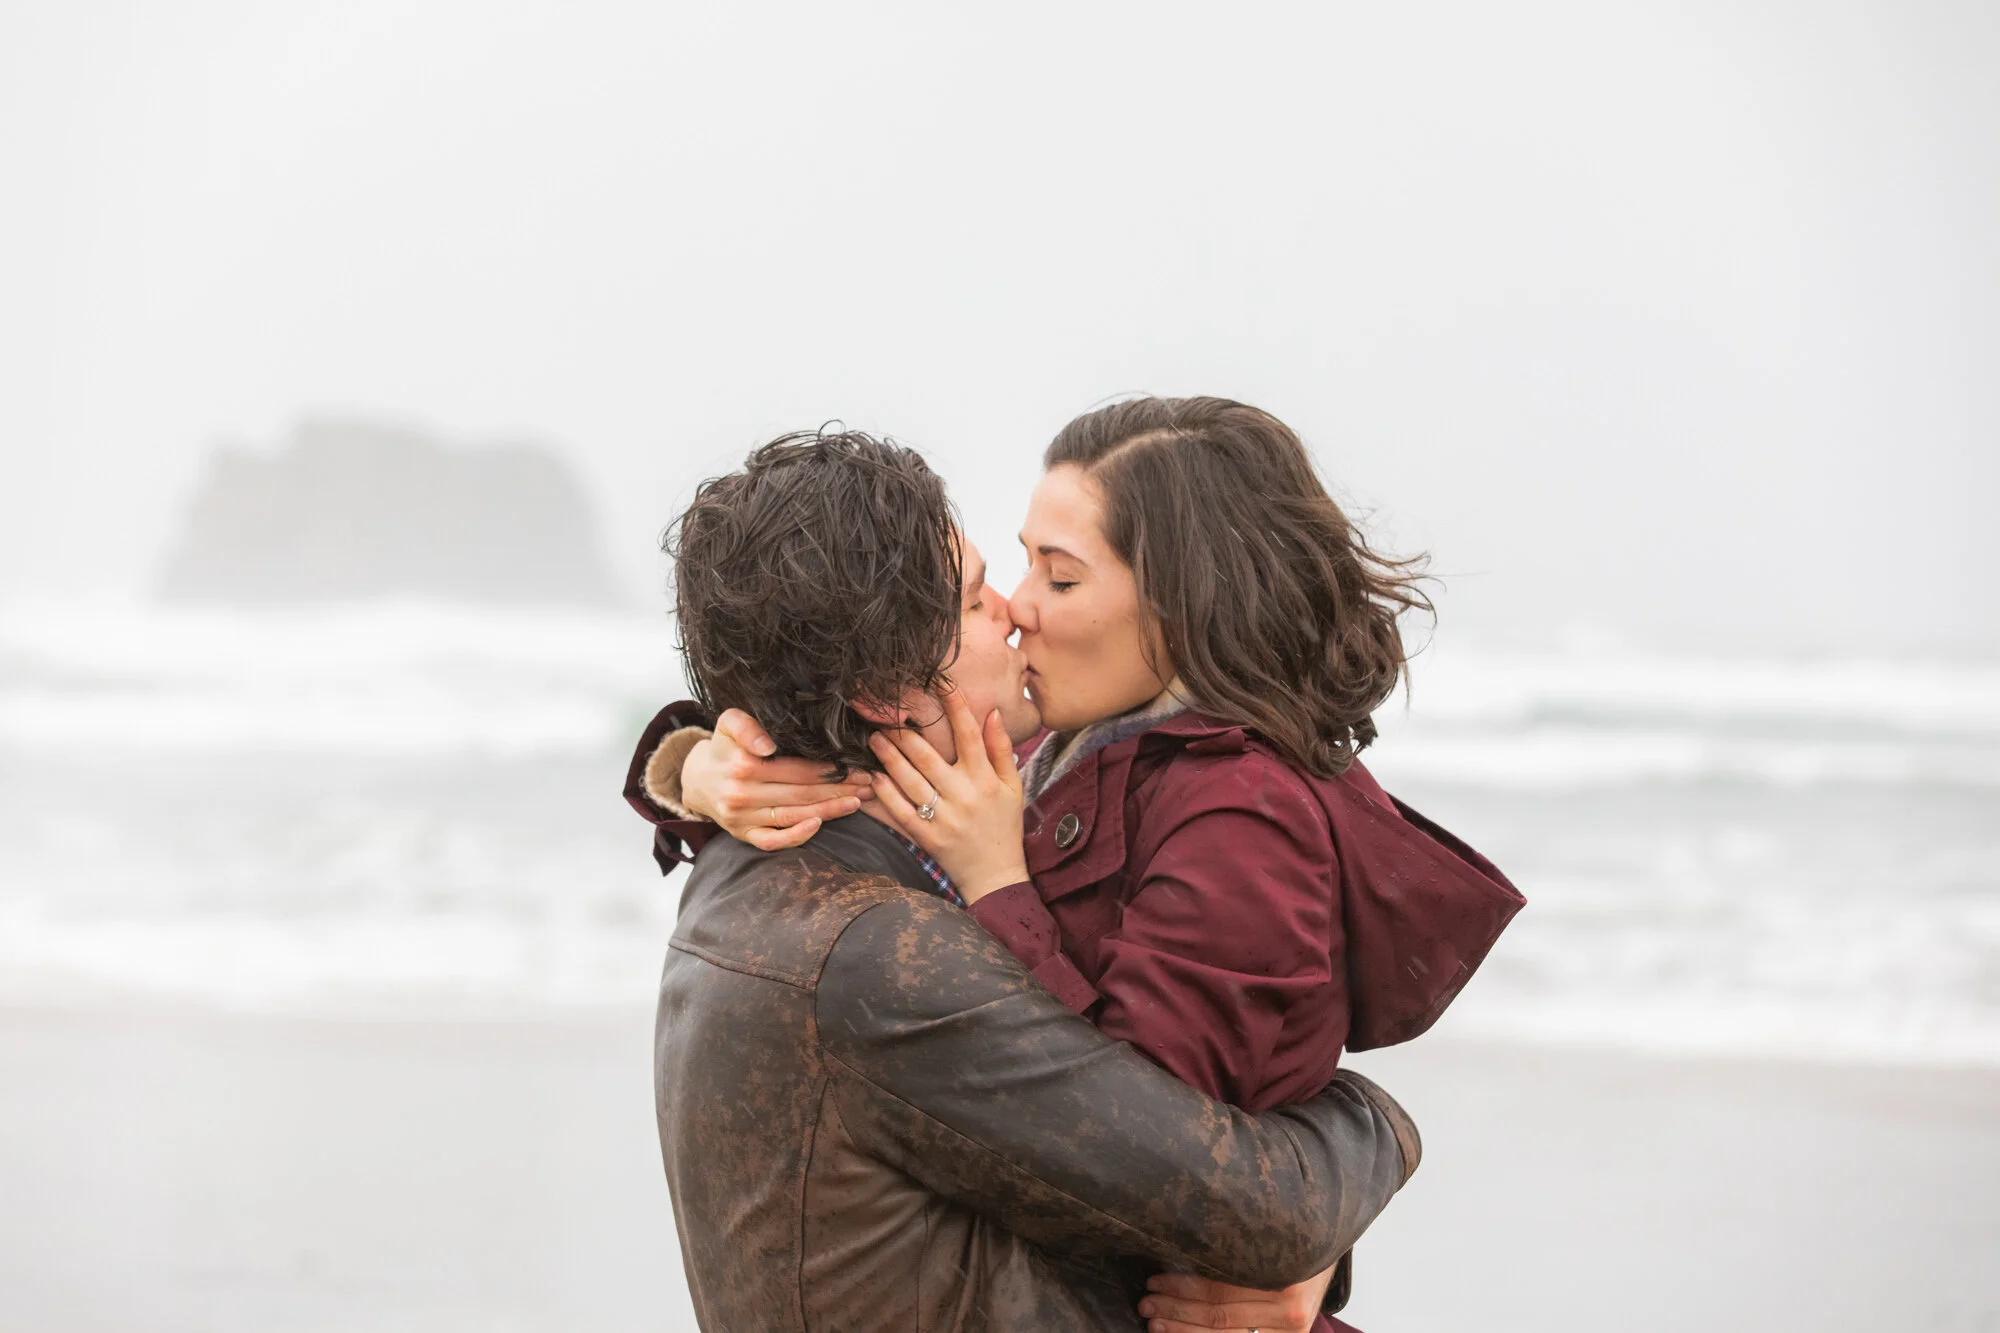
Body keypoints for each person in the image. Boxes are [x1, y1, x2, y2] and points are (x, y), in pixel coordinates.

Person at [660, 399, 1525, 1332]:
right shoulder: (883, 938)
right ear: (879, 692)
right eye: (983, 593)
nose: (1017, 610)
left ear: (1176, 604)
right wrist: (1370, 1127)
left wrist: (687, 764)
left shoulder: (828, 842)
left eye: (1052, 577)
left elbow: (1166, 1149)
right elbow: (1210, 1191)